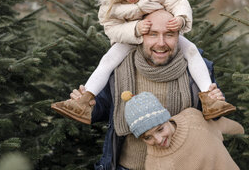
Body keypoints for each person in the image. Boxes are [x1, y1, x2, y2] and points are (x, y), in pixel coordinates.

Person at [51, 0, 235, 125]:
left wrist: (180, 18)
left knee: (192, 51)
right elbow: (112, 29)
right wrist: (135, 29)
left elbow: (179, 2)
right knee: (108, 60)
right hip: (129, 40)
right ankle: (84, 100)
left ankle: (209, 97)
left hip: (166, 31)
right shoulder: (111, 7)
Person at [69, 10, 237, 170]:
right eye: (152, 34)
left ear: (179, 36)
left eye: (169, 34)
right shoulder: (118, 68)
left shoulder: (198, 71)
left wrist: (217, 100)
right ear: (140, 36)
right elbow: (102, 109)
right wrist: (88, 105)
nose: (161, 43)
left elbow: (210, 120)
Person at [122, 91, 243, 170]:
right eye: (147, 137)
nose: (158, 140)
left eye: (160, 129)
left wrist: (244, 133)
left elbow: (226, 127)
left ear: (166, 118)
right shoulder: (155, 165)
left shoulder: (193, 117)